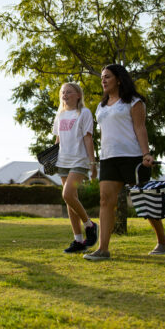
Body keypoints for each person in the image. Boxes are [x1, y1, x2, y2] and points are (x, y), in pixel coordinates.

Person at [84, 64, 165, 261]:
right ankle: (103, 249)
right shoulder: (101, 106)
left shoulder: (134, 101)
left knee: (144, 202)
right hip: (108, 158)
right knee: (106, 201)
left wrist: (146, 153)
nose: (103, 81)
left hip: (132, 157)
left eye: (107, 77)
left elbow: (140, 128)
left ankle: (163, 241)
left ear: (119, 79)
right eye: (102, 78)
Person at [51, 82, 98, 253]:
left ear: (78, 95)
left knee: (68, 194)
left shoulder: (84, 113)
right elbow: (57, 141)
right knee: (70, 200)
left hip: (79, 160)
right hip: (62, 161)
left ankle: (90, 225)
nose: (65, 95)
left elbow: (88, 138)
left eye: (69, 92)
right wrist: (52, 158)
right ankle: (78, 240)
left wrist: (92, 163)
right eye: (63, 92)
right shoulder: (60, 115)